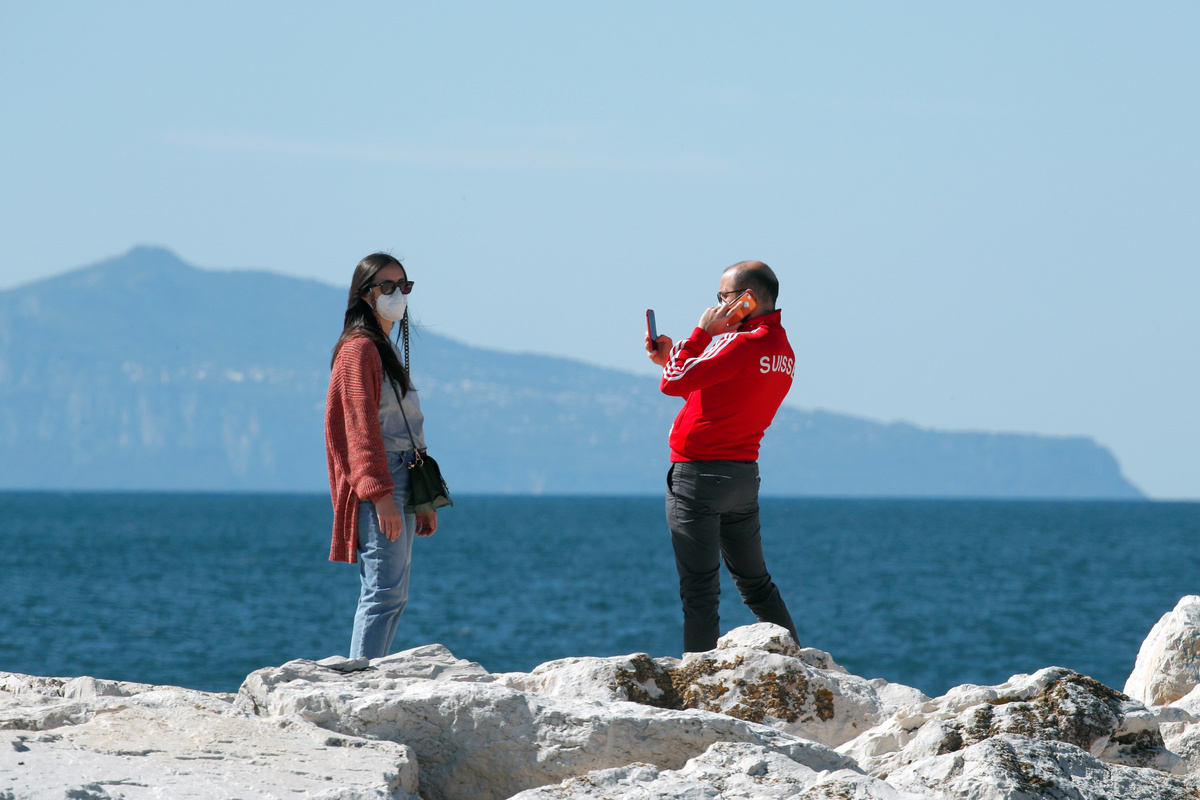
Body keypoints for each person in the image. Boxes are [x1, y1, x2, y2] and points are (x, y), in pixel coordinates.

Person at [645, 260, 800, 653]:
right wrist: (674, 356)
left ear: (746, 300)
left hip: (698, 478)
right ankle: (798, 664)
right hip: (742, 480)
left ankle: (698, 680)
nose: (717, 305)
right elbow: (715, 395)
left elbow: (673, 383)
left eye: (722, 297)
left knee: (699, 591)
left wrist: (700, 334)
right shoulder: (781, 350)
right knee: (756, 584)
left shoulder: (737, 343)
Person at [325, 252, 438, 659]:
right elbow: (360, 428)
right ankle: (361, 678)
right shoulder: (359, 350)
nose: (397, 294)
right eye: (387, 286)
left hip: (404, 473)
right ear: (365, 294)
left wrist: (423, 498)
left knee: (395, 593)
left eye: (403, 286)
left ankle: (371, 672)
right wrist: (381, 494)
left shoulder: (382, 348)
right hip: (383, 478)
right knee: (382, 591)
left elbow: (405, 423)